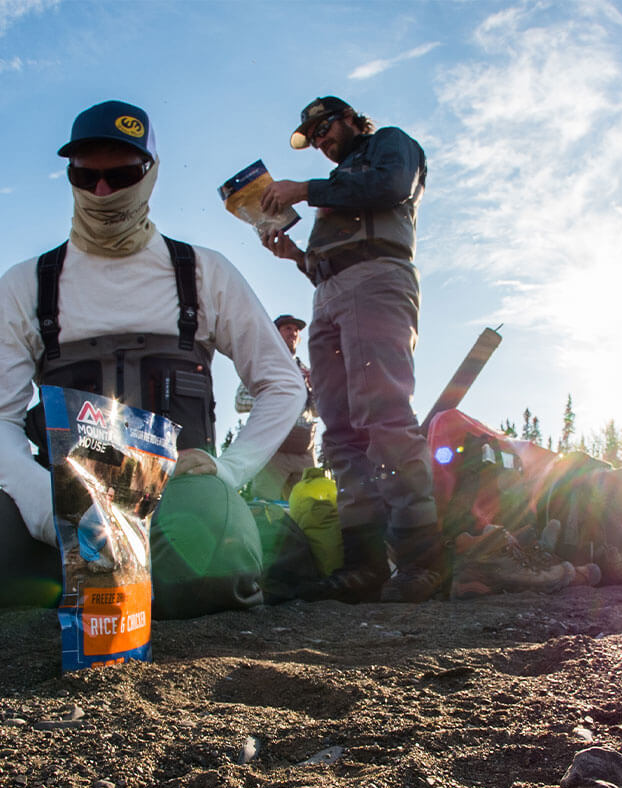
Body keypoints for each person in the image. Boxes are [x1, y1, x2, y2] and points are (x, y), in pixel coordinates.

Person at [0, 100, 307, 610]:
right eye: (85, 174)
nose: (101, 191)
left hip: (180, 500)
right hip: (65, 498)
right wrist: (43, 506)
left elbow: (282, 383)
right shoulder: (25, 285)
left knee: (209, 574)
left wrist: (228, 471)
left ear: (149, 174)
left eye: (120, 175)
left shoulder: (204, 272)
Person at [259, 96, 444, 603]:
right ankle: (363, 563)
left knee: (382, 414)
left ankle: (420, 558)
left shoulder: (389, 144)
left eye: (324, 129)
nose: (320, 141)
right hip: (328, 295)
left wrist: (305, 189)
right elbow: (326, 261)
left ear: (349, 120)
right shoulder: (335, 187)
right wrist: (295, 253)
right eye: (313, 137)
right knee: (339, 428)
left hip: (377, 278)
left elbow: (388, 187)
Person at [235, 313, 317, 501]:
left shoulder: (306, 371)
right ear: (275, 333)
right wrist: (278, 403)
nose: (293, 333)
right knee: (265, 506)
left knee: (311, 505)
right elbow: (240, 401)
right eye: (288, 328)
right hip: (273, 449)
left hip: (304, 450)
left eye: (296, 330)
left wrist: (315, 389)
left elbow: (317, 411)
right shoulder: (263, 365)